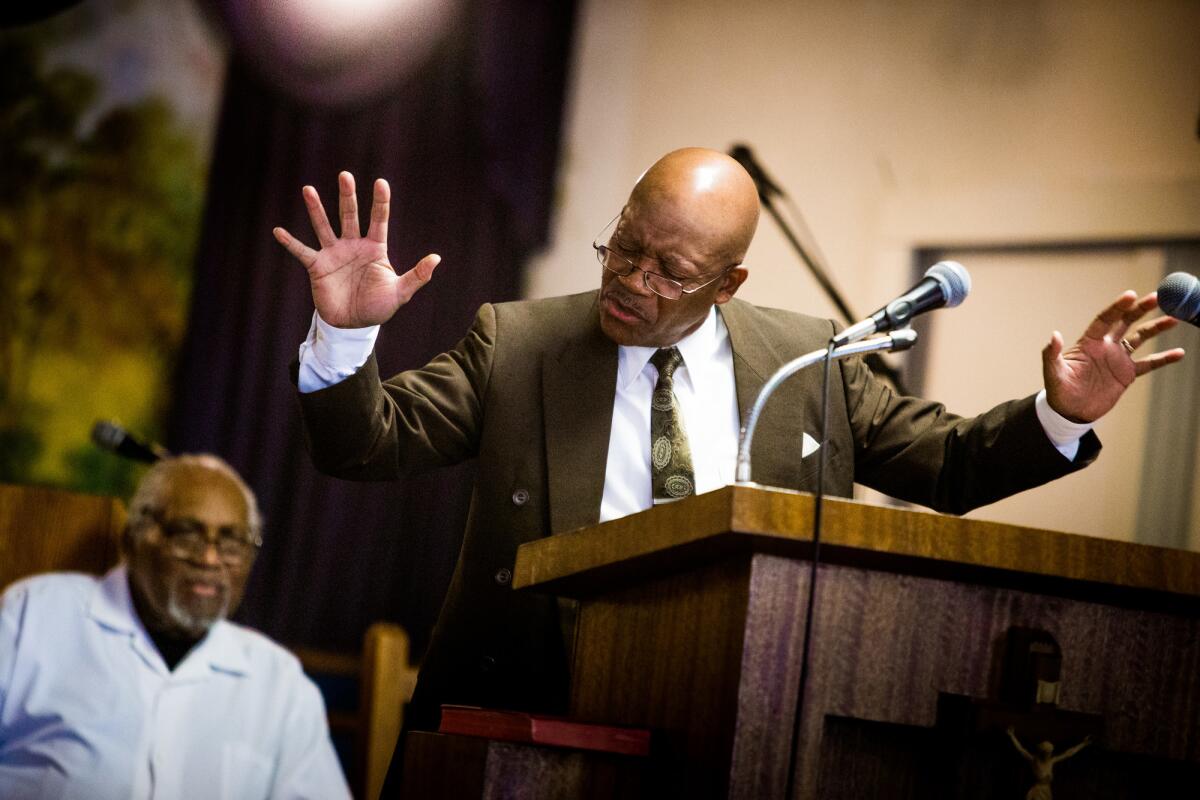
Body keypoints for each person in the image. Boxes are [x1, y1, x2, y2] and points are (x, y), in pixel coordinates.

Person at [273, 147, 1184, 735]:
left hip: (744, 719)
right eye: (623, 246)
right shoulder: (519, 344)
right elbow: (367, 446)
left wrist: (1059, 413)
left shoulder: (809, 363)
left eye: (671, 270)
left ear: (731, 281)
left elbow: (948, 466)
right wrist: (346, 338)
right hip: (531, 715)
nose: (632, 280)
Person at [0, 454, 351, 800]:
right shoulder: (33, 616)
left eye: (231, 542)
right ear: (133, 538)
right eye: (187, 534)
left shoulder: (280, 683)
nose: (210, 559)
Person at [1007, 726, 1092, 800]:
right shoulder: (1034, 760)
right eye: (1047, 753)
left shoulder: (1051, 761)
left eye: (1050, 753)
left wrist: (1083, 744)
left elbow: (1068, 753)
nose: (1049, 755)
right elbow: (1021, 750)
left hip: (1046, 790)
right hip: (1038, 791)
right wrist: (1012, 736)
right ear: (1042, 753)